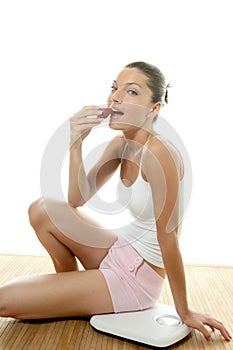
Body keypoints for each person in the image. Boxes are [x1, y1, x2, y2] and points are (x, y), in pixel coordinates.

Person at [0, 61, 231, 342]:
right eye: (114, 88)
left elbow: (168, 238)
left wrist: (184, 311)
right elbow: (76, 199)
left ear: (154, 109)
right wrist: (75, 143)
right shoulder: (120, 145)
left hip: (136, 279)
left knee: (3, 300)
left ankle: (73, 296)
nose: (115, 97)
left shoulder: (159, 153)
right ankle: (70, 291)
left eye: (132, 92)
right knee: (42, 209)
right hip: (119, 249)